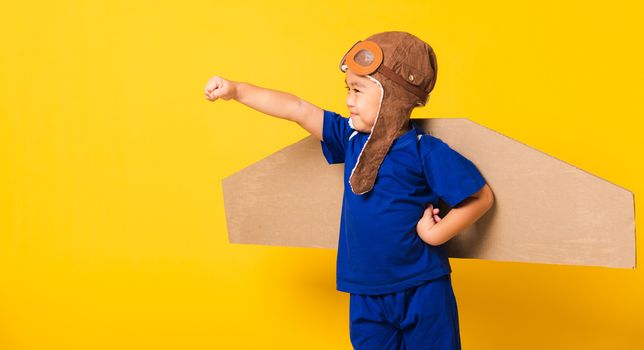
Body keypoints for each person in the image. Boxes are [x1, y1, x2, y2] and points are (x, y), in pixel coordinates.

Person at [204, 31, 494, 350]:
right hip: (364, 292)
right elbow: (297, 109)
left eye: (357, 90)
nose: (348, 100)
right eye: (348, 89)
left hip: (422, 287)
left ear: (391, 98)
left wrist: (435, 235)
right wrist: (237, 90)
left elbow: (480, 197)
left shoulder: (425, 151)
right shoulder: (350, 139)